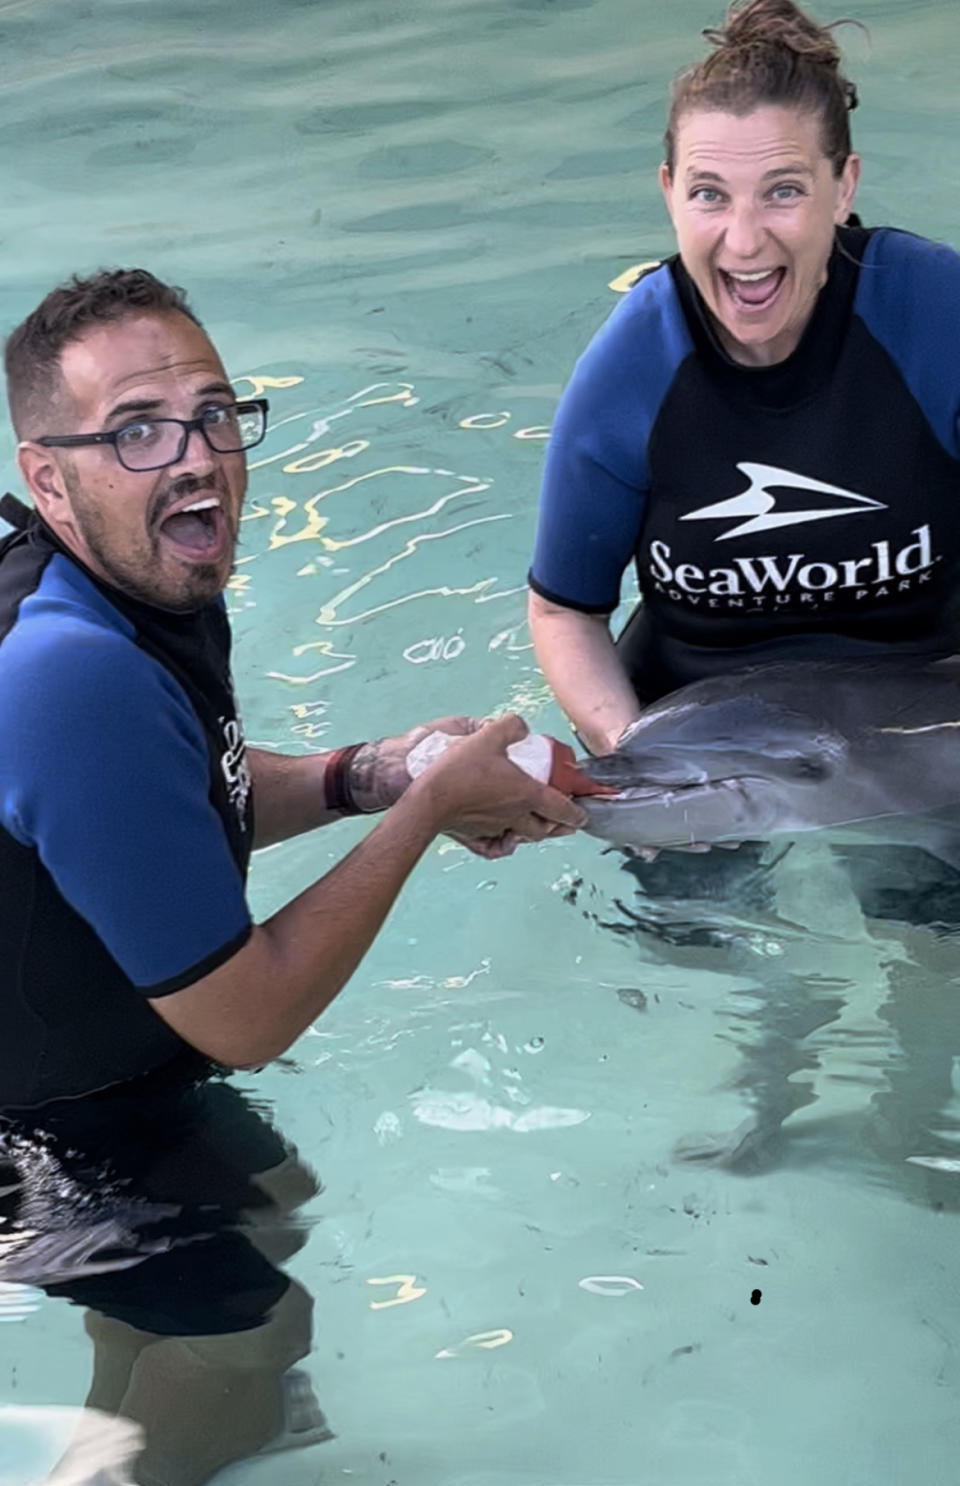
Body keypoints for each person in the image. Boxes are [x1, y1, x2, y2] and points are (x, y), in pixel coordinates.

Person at [0, 267, 586, 1113]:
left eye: (213, 415)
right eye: (137, 432)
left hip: (109, 1076)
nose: (198, 457)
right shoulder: (71, 678)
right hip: (52, 1165)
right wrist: (426, 812)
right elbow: (250, 1020)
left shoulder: (127, 582)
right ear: (48, 480)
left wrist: (362, 776)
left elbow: (171, 797)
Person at [527, 0, 960, 757]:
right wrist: (636, 753)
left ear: (845, 185)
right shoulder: (635, 362)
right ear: (668, 191)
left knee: (921, 884)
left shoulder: (933, 313)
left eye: (784, 190)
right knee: (678, 874)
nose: (744, 238)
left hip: (927, 703)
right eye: (709, 193)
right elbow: (564, 612)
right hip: (696, 716)